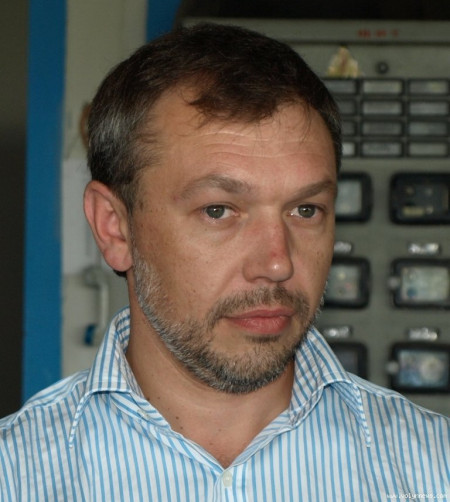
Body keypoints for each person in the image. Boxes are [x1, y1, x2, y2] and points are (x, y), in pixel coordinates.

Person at [1, 23, 448, 501]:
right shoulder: (17, 477)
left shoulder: (433, 469)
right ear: (115, 227)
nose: (276, 264)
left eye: (305, 210)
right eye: (218, 211)